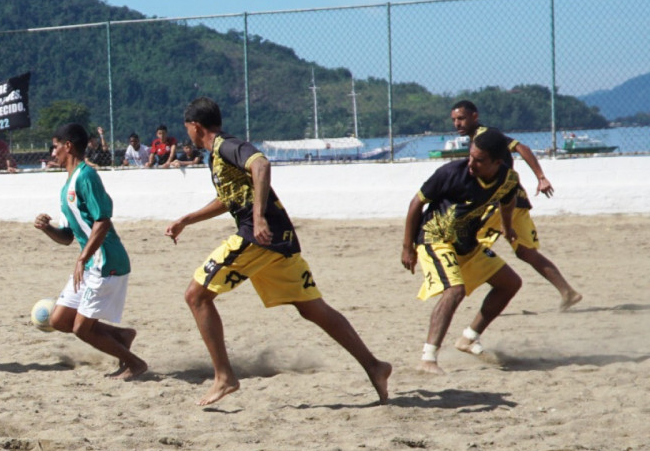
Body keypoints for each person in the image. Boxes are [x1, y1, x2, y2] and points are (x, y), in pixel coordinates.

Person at [165, 98, 390, 407]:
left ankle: (224, 377)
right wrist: (186, 219)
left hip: (258, 236)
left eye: (187, 128)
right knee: (312, 308)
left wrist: (257, 217)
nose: (188, 134)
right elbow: (228, 199)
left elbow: (261, 163)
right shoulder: (216, 156)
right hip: (278, 238)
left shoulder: (225, 146)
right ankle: (375, 366)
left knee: (196, 296)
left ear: (195, 127)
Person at [402, 128, 524, 374]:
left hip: (467, 243)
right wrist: (407, 248)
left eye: (479, 160)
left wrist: (507, 226)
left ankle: (469, 338)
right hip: (434, 238)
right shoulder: (450, 173)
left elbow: (508, 199)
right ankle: (428, 359)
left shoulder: (508, 178)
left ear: (497, 162)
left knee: (510, 283)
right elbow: (416, 203)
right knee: (454, 291)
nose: (471, 163)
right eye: (470, 156)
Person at [34, 123, 147, 381]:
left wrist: (83, 257)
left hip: (106, 262)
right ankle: (122, 336)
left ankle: (135, 363)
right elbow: (66, 238)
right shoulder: (67, 185)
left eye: (55, 147)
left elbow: (103, 220)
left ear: (68, 146)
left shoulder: (87, 176)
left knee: (82, 329)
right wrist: (47, 228)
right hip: (89, 264)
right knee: (59, 320)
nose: (53, 154)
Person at [450, 100, 582, 311]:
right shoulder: (478, 138)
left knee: (468, 243)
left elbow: (521, 147)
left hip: (503, 201)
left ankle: (455, 295)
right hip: (516, 199)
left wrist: (541, 177)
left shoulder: (486, 136)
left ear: (474, 116)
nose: (457, 123)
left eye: (461, 118)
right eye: (455, 120)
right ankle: (568, 292)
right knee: (525, 252)